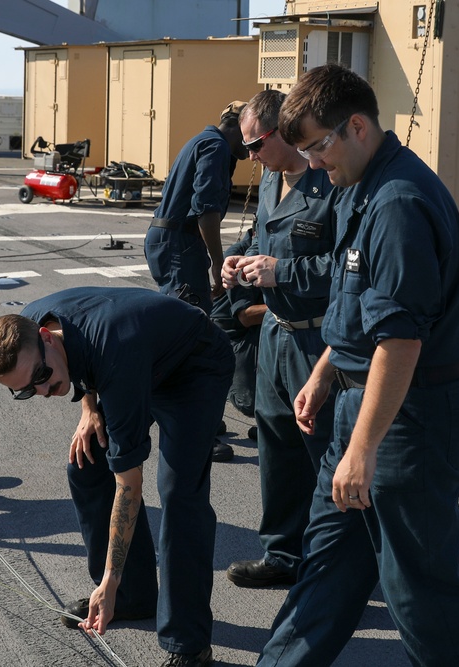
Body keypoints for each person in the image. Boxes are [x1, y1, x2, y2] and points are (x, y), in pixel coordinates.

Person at [256, 64, 459, 666]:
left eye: (318, 146)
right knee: (327, 570)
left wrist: (362, 450)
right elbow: (354, 307)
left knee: (418, 590)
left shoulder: (397, 202)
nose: (312, 163)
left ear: (357, 127)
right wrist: (322, 375)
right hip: (358, 404)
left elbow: (399, 343)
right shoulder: (357, 189)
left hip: (406, 421)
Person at [0, 287, 233, 667]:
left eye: (43, 377)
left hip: (193, 367)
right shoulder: (34, 322)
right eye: (27, 391)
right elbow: (80, 363)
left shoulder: (115, 355)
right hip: (134, 360)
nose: (45, 391)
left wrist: (108, 578)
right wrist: (88, 408)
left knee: (180, 494)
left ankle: (189, 643)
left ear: (46, 339)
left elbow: (129, 485)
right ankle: (131, 596)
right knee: (87, 461)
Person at [219, 89, 341, 589]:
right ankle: (282, 555)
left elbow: (349, 268)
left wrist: (280, 270)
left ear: (285, 133)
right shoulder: (271, 180)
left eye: (257, 144)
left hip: (318, 344)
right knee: (276, 452)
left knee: (326, 456)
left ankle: (340, 562)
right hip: (276, 335)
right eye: (245, 147)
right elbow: (260, 237)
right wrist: (237, 257)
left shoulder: (331, 181)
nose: (250, 156)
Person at [144, 101, 250, 316]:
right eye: (250, 135)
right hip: (179, 242)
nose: (251, 145)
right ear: (240, 127)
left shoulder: (200, 141)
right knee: (191, 318)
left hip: (167, 238)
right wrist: (218, 261)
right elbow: (206, 208)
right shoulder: (216, 146)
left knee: (178, 314)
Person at [210, 225, 267, 427]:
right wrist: (291, 311)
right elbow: (246, 316)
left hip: (255, 331)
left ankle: (269, 422)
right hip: (235, 337)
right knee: (247, 403)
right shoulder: (237, 256)